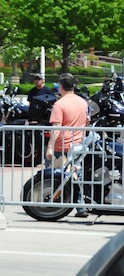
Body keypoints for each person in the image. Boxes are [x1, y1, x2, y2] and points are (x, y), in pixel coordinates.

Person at [47, 72, 91, 216]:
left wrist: (49, 148)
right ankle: (80, 206)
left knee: (50, 177)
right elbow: (87, 123)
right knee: (76, 177)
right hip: (79, 145)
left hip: (62, 147)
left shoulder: (59, 104)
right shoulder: (83, 102)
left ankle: (49, 204)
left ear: (60, 87)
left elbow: (56, 129)